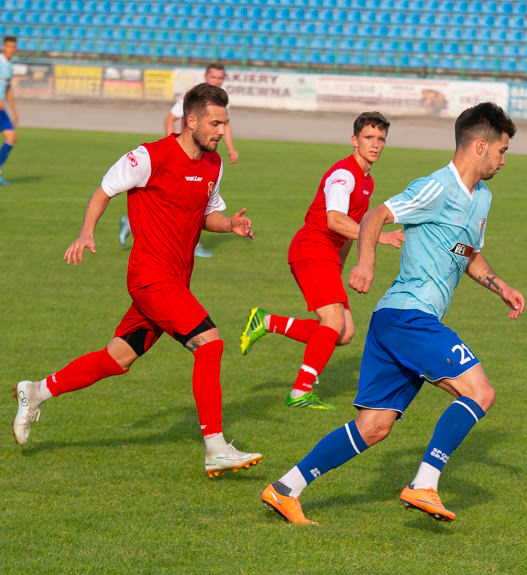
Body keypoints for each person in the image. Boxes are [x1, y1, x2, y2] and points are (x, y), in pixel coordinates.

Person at [260, 102, 525, 525]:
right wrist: (365, 262)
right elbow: (375, 215)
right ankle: (424, 483)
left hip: (395, 322)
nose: (503, 160)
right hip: (408, 316)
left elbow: (467, 252)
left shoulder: (482, 198)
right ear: (480, 146)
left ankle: (285, 487)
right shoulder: (437, 186)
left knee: (374, 427)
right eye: (501, 150)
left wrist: (501, 286)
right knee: (480, 392)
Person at [12, 83, 263, 477]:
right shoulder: (149, 156)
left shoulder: (213, 165)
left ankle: (37, 390)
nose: (221, 131)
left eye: (226, 123)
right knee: (210, 344)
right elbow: (104, 190)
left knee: (117, 358)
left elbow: (203, 215)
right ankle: (215, 446)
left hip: (175, 282)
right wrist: (86, 232)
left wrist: (229, 224)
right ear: (191, 120)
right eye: (216, 123)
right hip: (150, 278)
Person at [239, 112, 404, 410]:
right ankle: (300, 391)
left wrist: (339, 268)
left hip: (326, 256)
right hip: (312, 248)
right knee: (333, 322)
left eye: (381, 139)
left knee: (343, 333)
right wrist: (379, 236)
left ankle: (267, 321)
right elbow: (335, 220)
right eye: (369, 138)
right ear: (354, 140)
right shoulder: (344, 175)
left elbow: (349, 233)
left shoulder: (367, 180)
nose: (376, 144)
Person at [119, 63, 237, 257]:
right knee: (179, 203)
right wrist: (172, 146)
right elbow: (170, 118)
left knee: (190, 202)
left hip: (202, 156)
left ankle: (131, 223)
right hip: (183, 157)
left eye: (220, 78)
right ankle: (136, 224)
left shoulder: (221, 102)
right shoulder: (192, 97)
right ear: (206, 76)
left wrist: (231, 149)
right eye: (214, 77)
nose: (217, 81)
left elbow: (227, 126)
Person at [0, 36, 19, 186]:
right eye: (8, 46)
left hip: (1, 108)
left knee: (12, 137)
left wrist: (14, 112)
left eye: (13, 47)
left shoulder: (9, 65)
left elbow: (7, 89)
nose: (11, 49)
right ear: (3, 47)